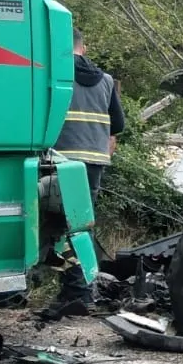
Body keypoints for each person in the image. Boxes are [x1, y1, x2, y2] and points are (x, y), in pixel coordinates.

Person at [39, 25, 126, 319]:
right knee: (80, 225)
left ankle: (73, 291)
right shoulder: (106, 80)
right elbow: (119, 126)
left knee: (48, 223)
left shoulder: (53, 74)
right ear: (83, 48)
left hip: (60, 159)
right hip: (93, 162)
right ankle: (81, 289)